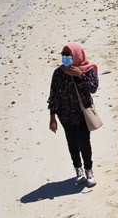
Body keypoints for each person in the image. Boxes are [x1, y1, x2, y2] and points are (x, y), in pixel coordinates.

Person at [48, 42, 100, 187]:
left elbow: (93, 88)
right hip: (65, 115)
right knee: (72, 143)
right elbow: (53, 96)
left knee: (84, 142)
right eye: (63, 55)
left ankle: (89, 171)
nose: (65, 58)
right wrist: (52, 117)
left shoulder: (88, 70)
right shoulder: (58, 73)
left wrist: (80, 75)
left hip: (82, 114)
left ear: (76, 55)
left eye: (68, 55)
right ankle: (79, 170)